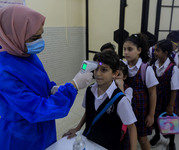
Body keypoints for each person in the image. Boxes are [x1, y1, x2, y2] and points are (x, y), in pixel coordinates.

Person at [0, 5, 93, 150]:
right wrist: (73, 85)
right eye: (35, 37)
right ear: (14, 35)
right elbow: (36, 109)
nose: (40, 41)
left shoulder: (25, 54)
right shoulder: (4, 71)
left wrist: (52, 89)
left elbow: (38, 81)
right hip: (22, 137)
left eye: (42, 34)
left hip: (44, 128)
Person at [63, 51, 137, 150]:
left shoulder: (120, 99)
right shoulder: (90, 90)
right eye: (96, 69)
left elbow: (131, 127)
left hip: (108, 145)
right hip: (89, 141)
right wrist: (77, 128)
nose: (98, 73)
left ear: (115, 73)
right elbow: (88, 112)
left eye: (104, 70)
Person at [123, 33, 158, 150]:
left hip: (141, 110)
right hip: (127, 107)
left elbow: (153, 93)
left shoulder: (146, 69)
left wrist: (151, 114)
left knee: (142, 139)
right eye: (124, 49)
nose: (126, 52)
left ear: (139, 50)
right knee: (127, 135)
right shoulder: (123, 67)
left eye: (130, 49)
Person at [150, 39, 179, 150]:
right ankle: (157, 135)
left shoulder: (173, 69)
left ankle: (171, 141)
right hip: (156, 99)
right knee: (157, 117)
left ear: (166, 53)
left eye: (157, 50)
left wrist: (170, 105)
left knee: (170, 121)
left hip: (168, 100)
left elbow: (175, 89)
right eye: (154, 50)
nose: (154, 52)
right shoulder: (154, 65)